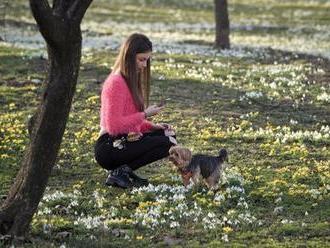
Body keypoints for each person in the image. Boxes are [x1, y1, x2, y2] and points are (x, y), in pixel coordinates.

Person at [94, 33, 177, 189]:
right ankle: (119, 172)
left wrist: (152, 126)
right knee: (167, 142)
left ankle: (123, 171)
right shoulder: (116, 82)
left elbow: (129, 119)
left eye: (147, 60)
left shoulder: (129, 80)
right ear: (128, 57)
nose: (145, 65)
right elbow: (114, 126)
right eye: (142, 60)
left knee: (169, 136)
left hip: (124, 139)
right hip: (108, 146)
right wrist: (145, 114)